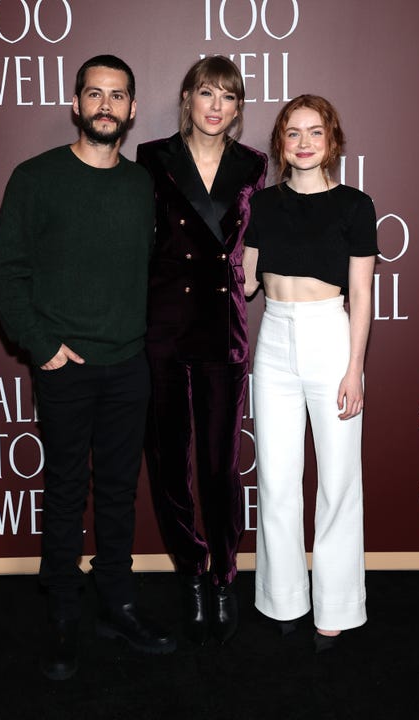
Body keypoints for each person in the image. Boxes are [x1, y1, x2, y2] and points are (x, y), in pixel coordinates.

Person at [0, 54, 176, 681]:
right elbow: (3, 273)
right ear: (75, 104)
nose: (105, 105)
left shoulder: (141, 184)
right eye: (94, 94)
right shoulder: (35, 177)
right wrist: (40, 345)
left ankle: (116, 601)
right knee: (66, 491)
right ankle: (64, 611)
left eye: (117, 96)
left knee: (120, 493)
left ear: (131, 109)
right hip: (64, 365)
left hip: (129, 366)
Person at [136, 56, 267, 644]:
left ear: (239, 109)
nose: (217, 105)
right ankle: (190, 572)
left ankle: (222, 577)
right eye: (207, 93)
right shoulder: (153, 158)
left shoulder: (254, 165)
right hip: (163, 326)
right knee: (169, 461)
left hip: (222, 326)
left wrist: (255, 277)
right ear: (187, 97)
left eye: (229, 97)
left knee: (219, 464)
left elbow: (259, 242)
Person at [243, 94, 378, 652]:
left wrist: (355, 368)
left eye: (314, 132)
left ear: (332, 141)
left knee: (339, 480)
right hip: (273, 340)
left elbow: (363, 294)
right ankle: (283, 599)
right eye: (293, 133)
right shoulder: (263, 205)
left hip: (330, 338)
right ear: (280, 143)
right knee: (276, 479)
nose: (303, 143)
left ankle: (337, 606)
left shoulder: (355, 205)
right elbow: (244, 283)